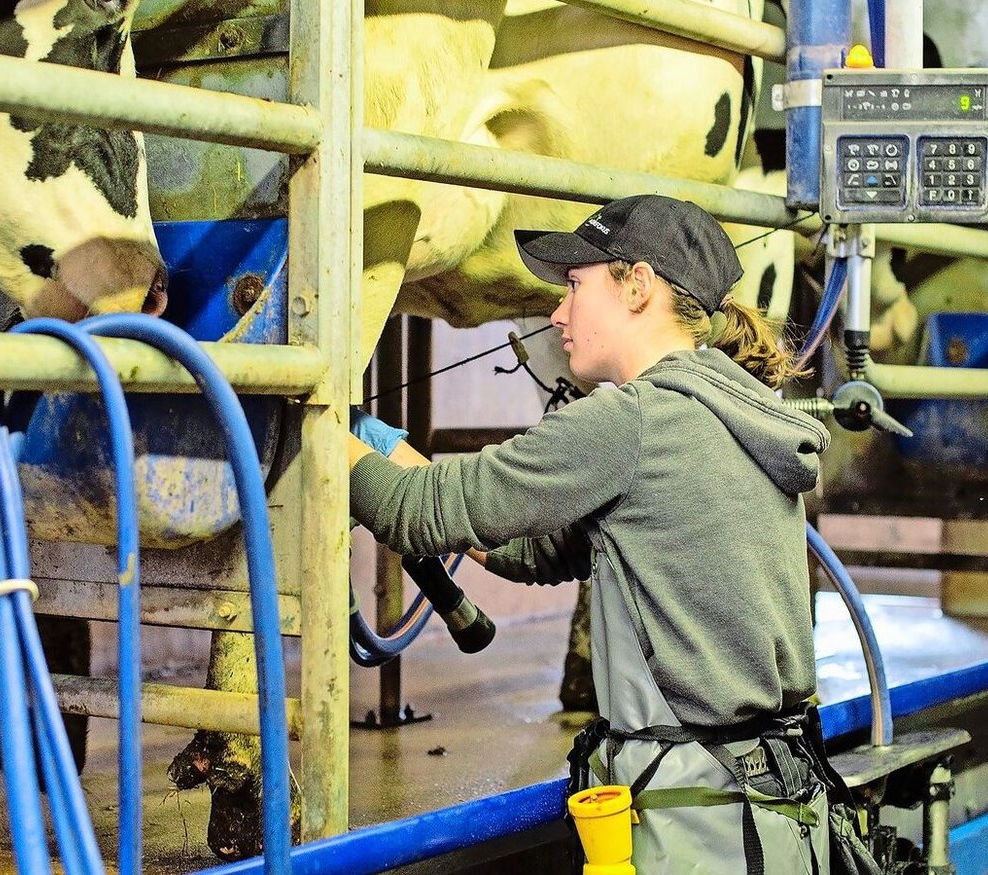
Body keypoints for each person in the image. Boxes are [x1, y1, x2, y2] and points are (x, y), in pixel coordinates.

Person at [348, 194, 834, 873]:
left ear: (637, 286)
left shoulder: (632, 421)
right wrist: (383, 446)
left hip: (699, 827)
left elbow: (410, 513)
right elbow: (537, 549)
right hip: (765, 813)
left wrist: (319, 427)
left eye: (576, 285)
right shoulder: (722, 410)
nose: (556, 312)